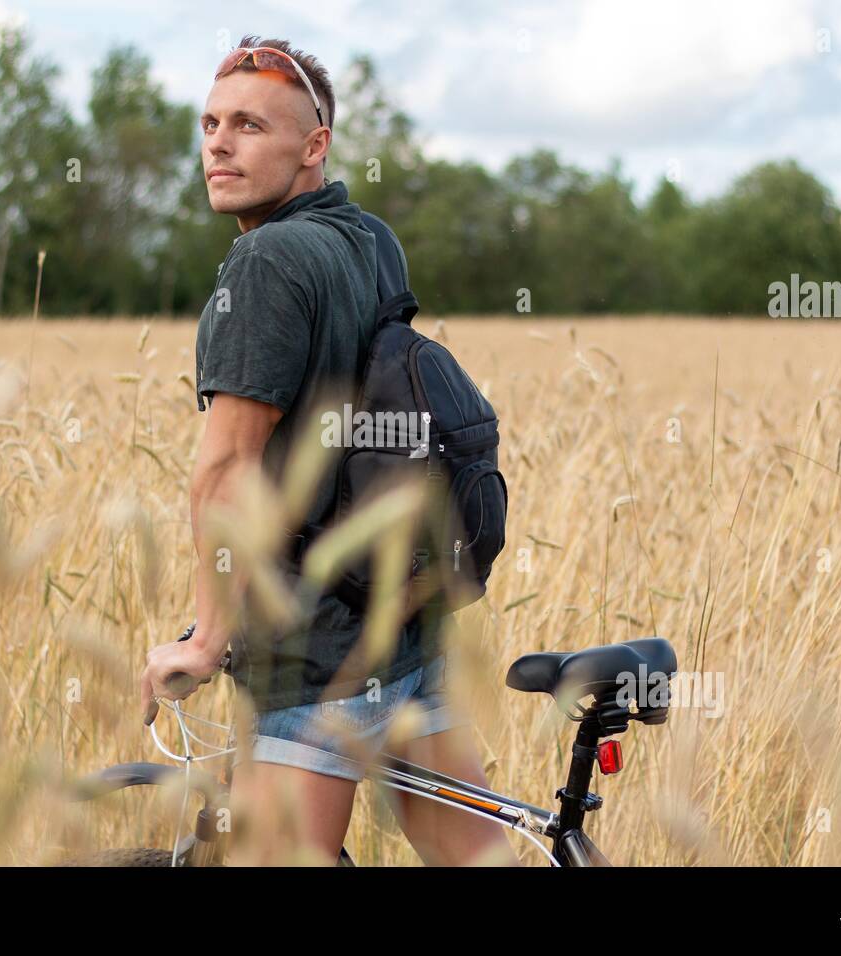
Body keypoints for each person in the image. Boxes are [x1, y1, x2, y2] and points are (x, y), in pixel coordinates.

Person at [138, 35, 516, 866]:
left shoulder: (266, 259)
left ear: (314, 147)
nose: (219, 143)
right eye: (209, 123)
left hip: (311, 660)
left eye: (249, 125)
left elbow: (228, 466)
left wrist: (205, 639)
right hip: (407, 629)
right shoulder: (370, 238)